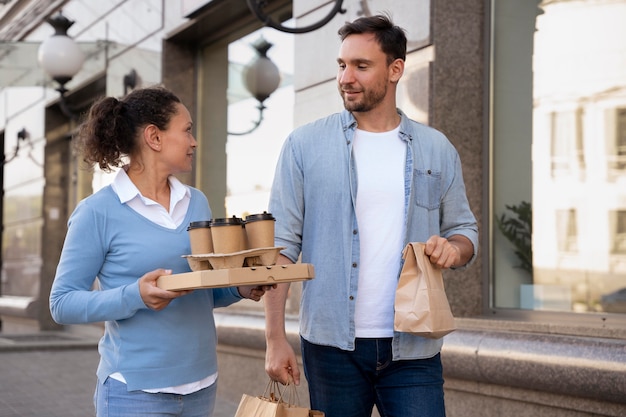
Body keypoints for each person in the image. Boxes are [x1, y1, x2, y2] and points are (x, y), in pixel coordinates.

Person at [264, 14, 478, 417]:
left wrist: (454, 248)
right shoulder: (304, 145)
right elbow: (282, 247)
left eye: (361, 66)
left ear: (395, 69)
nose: (347, 77)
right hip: (331, 348)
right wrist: (275, 336)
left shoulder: (436, 148)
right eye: (342, 65)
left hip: (413, 346)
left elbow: (464, 230)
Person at [49, 86, 272, 417]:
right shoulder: (97, 212)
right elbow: (61, 304)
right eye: (186, 130)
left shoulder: (197, 202)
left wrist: (241, 286)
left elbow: (203, 288)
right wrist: (135, 295)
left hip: (202, 386)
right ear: (154, 137)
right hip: (135, 393)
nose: (193, 141)